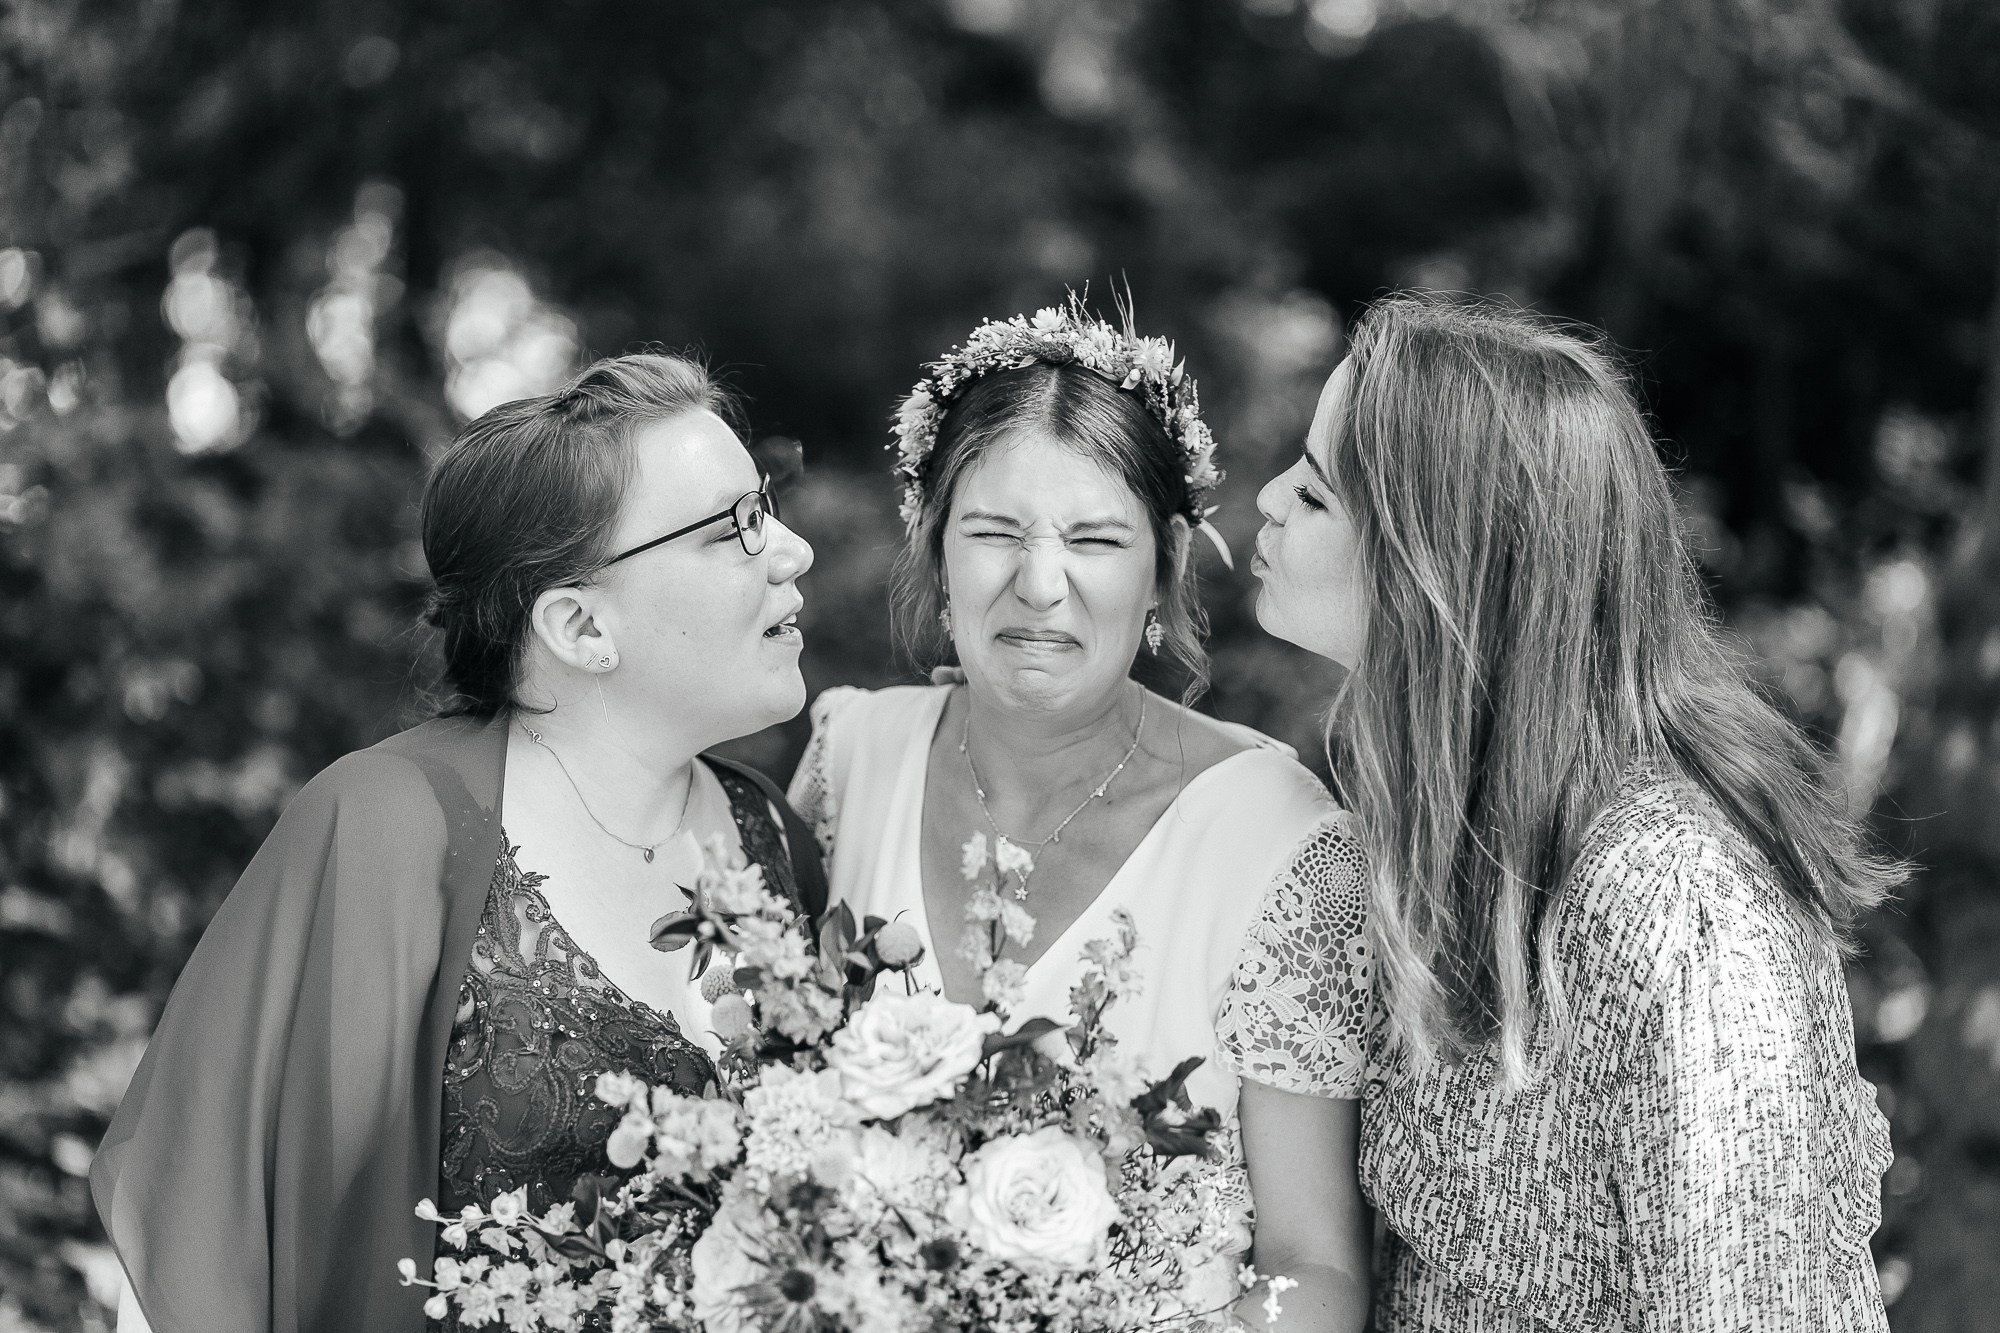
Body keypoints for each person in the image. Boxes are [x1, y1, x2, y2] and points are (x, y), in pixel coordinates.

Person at [92, 353, 825, 1333]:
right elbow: (201, 1237)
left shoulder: (773, 834)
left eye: (767, 500)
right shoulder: (387, 826)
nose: (792, 550)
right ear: (578, 624)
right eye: (735, 525)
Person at [1250, 295, 1901, 1330]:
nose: (1266, 498)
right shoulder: (1446, 841)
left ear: (1440, 576)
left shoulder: (1681, 914)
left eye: (1318, 495)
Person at [789, 300, 1373, 1332]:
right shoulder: (849, 755)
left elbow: (1313, 1269)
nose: (1039, 585)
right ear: (931, 547)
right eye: (992, 533)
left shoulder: (1282, 841)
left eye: (1095, 539)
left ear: (1165, 562)